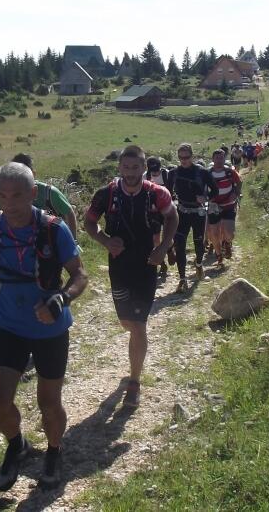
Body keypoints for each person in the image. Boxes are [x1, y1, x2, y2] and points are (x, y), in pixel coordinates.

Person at [0, 162, 87, 491]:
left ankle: (54, 450)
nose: (10, 203)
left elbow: (79, 275)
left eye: (18, 195)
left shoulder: (53, 229)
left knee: (49, 403)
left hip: (51, 329)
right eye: (2, 195)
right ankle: (17, 445)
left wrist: (60, 300)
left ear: (33, 194)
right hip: (10, 326)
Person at [84, 145, 177, 409]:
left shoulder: (157, 193)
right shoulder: (106, 194)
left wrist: (163, 248)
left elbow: (172, 217)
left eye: (136, 167)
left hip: (147, 265)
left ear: (144, 168)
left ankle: (134, 382)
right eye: (126, 167)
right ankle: (134, 360)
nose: (131, 172)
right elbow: (89, 222)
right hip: (119, 267)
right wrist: (104, 240)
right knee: (126, 322)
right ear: (119, 168)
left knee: (137, 325)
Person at [166, 144, 217, 291]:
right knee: (179, 244)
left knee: (198, 243)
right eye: (181, 157)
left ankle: (199, 264)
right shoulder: (173, 173)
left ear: (192, 156)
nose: (183, 160)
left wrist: (205, 197)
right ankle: (182, 279)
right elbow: (167, 192)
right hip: (181, 211)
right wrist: (170, 204)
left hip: (198, 212)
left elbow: (215, 190)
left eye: (186, 157)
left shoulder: (202, 172)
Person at [10, 152, 79, 236]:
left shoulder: (49, 193)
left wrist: (73, 240)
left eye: (24, 176)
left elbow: (69, 212)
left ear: (33, 174)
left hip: (53, 239)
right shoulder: (8, 196)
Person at [208, 148, 242, 263]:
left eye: (221, 158)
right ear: (213, 159)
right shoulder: (207, 173)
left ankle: (227, 243)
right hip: (213, 206)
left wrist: (236, 193)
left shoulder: (230, 172)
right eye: (217, 158)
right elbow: (200, 186)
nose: (219, 160)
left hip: (228, 205)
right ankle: (219, 255)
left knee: (229, 233)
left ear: (224, 159)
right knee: (214, 233)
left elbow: (239, 182)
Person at [144, 156, 172, 277]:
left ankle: (170, 250)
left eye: (157, 170)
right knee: (155, 239)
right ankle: (162, 263)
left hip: (167, 209)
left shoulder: (167, 174)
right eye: (152, 170)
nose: (155, 172)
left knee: (168, 234)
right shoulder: (145, 177)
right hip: (152, 212)